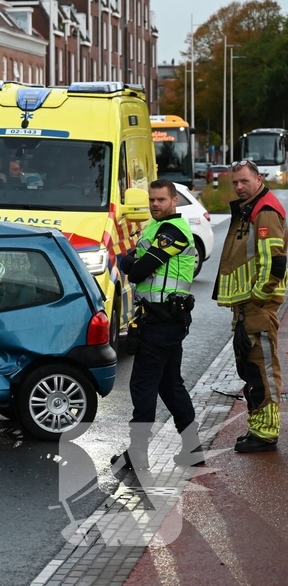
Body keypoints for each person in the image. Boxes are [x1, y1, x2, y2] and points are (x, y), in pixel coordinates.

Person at [112, 179, 202, 477]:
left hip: (163, 319)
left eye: (161, 200)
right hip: (162, 318)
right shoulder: (153, 228)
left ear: (174, 201)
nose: (154, 204)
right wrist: (132, 262)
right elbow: (129, 262)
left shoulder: (173, 231)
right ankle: (192, 449)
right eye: (152, 199)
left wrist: (132, 262)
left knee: (143, 384)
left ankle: (137, 454)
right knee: (168, 384)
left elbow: (135, 271)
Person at [214, 159, 286, 453]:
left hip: (258, 307)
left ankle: (266, 433)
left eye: (244, 181)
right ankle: (257, 428)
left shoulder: (264, 211)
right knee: (250, 370)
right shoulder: (249, 210)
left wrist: (257, 298)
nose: (240, 187)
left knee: (262, 370)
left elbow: (275, 263)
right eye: (235, 182)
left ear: (258, 179)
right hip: (247, 308)